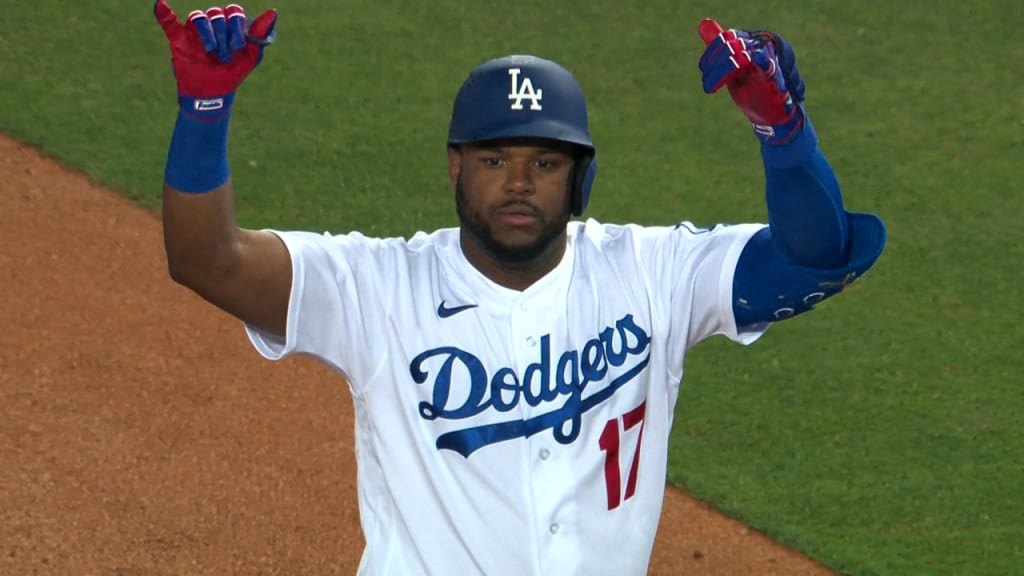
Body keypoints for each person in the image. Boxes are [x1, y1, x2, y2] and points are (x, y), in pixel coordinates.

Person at [154, 2, 886, 574]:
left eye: (544, 162)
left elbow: (813, 256)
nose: (517, 183)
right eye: (495, 157)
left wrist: (781, 129)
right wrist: (204, 113)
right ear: (454, 168)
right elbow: (207, 260)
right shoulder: (376, 289)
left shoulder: (651, 273)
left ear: (580, 178)